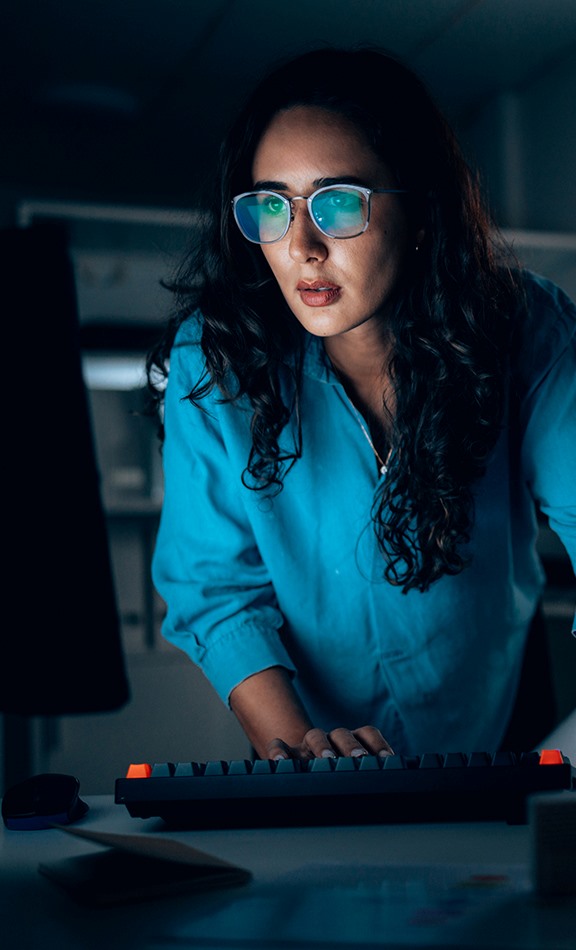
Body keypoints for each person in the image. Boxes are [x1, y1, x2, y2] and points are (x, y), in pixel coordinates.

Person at [148, 48, 576, 762]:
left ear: (419, 211)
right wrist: (306, 758)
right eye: (271, 206)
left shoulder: (525, 328)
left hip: (495, 713)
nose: (301, 247)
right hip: (311, 734)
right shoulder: (215, 357)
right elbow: (214, 591)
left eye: (338, 203)